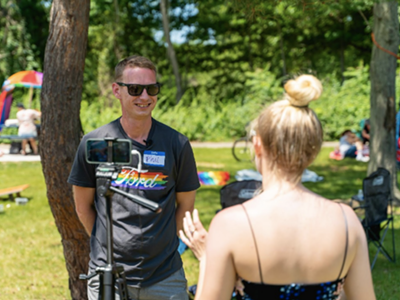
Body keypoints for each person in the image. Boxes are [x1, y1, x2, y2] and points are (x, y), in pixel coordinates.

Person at [180, 75, 375, 300]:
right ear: (313, 150)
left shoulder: (230, 225)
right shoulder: (347, 221)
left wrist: (207, 260)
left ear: (257, 145)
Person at [68, 55, 200, 300]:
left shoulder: (176, 144)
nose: (145, 97)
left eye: (152, 89)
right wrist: (106, 244)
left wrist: (168, 249)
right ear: (117, 90)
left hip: (165, 276)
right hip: (107, 274)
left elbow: (186, 206)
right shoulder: (95, 143)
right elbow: (82, 205)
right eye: (135, 89)